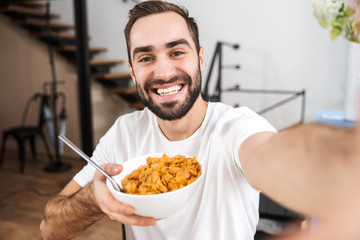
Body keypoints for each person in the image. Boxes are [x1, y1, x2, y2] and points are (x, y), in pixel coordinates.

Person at [40, 1, 360, 240]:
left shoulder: (236, 127)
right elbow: (49, 227)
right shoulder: (123, 134)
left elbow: (275, 155)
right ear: (132, 70)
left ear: (200, 57)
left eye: (177, 52)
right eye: (146, 58)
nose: (164, 72)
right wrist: (94, 198)